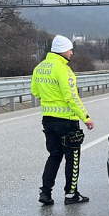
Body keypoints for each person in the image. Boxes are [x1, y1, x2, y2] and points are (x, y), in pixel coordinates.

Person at [31, 35, 95, 205]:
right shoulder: (63, 70)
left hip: (48, 120)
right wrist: (86, 118)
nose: (72, 52)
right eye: (69, 49)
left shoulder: (39, 68)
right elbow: (71, 97)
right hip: (67, 121)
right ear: (62, 51)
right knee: (72, 157)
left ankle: (45, 192)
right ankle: (71, 194)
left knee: (54, 155)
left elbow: (35, 92)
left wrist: (50, 97)